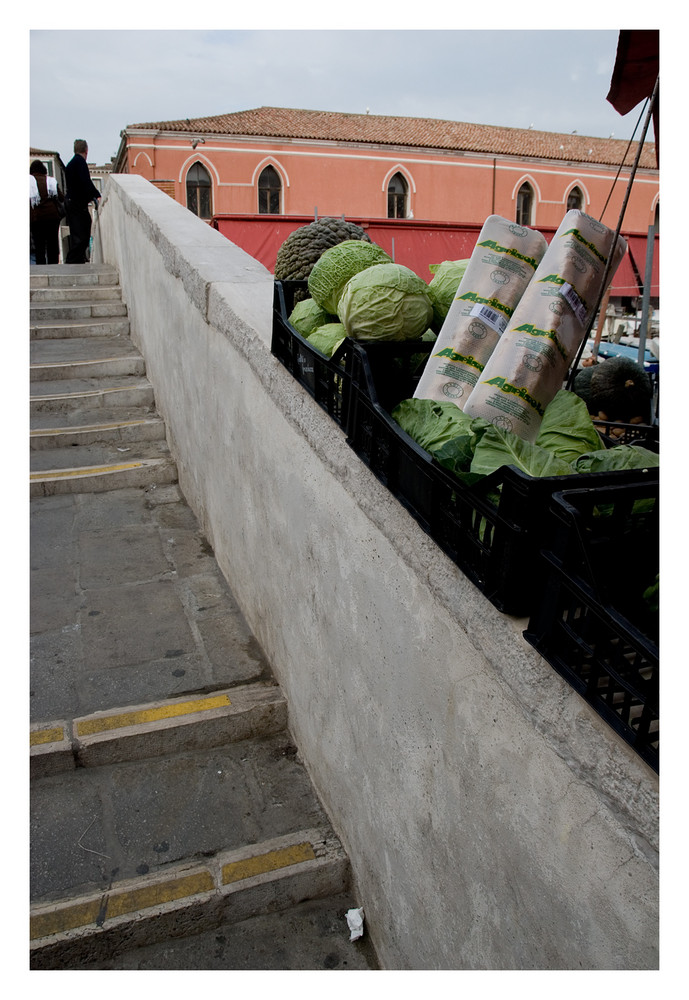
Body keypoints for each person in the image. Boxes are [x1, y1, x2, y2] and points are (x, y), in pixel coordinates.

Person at [65, 139, 101, 264]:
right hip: (77, 204)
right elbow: (86, 182)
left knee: (78, 232)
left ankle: (77, 258)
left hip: (72, 202)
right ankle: (73, 260)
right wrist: (96, 195)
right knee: (82, 232)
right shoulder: (80, 163)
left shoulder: (70, 164)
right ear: (86, 151)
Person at [30, 159, 65, 265]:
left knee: (39, 245)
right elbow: (61, 197)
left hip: (36, 218)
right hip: (52, 217)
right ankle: (54, 265)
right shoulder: (50, 181)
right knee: (53, 243)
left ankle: (42, 267)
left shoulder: (28, 181)